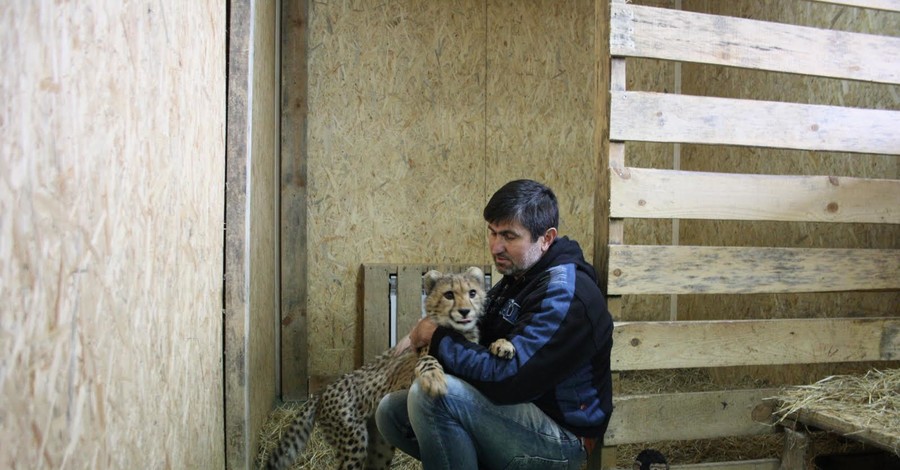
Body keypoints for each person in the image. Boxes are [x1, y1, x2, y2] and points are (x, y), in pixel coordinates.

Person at [375, 179, 614, 470]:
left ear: (546, 238)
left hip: (562, 440)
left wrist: (436, 337)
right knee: (391, 412)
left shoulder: (566, 294)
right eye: (492, 232)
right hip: (516, 411)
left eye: (509, 236)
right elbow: (481, 341)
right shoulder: (522, 275)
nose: (496, 246)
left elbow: (506, 378)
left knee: (431, 396)